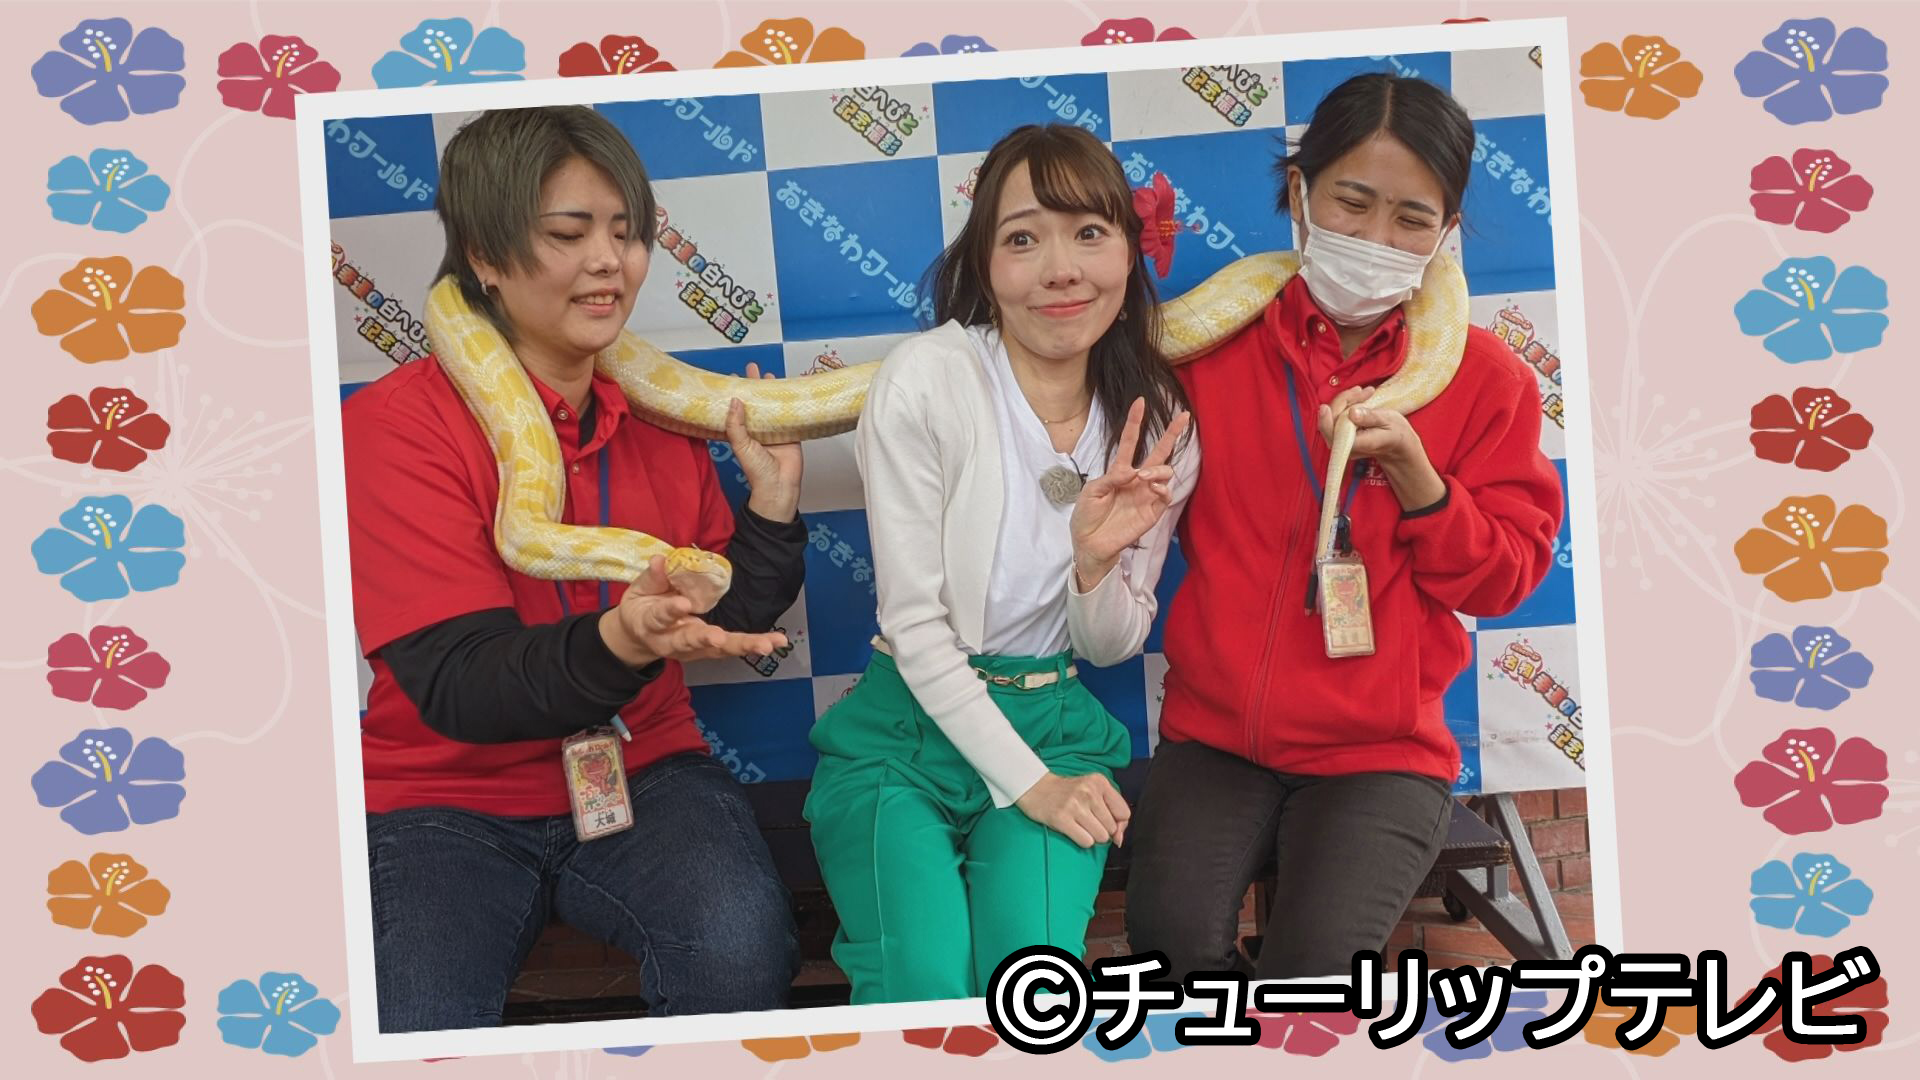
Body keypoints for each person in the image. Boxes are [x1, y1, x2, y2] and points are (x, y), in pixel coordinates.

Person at [342, 106, 804, 1031]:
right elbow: (464, 686)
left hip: (647, 769)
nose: (610, 263)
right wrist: (621, 638)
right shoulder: (396, 430)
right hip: (444, 793)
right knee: (418, 1017)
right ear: (484, 255)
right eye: (569, 233)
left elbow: (725, 613)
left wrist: (772, 508)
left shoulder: (663, 417)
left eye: (626, 234)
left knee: (739, 951)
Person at [1126, 74, 1564, 979]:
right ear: (1299, 192)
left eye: (1411, 219)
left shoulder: (1484, 378)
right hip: (1215, 739)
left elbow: (1504, 579)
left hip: (1380, 753)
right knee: (1169, 957)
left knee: (1316, 982)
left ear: (1446, 232)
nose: (1374, 239)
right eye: (1351, 203)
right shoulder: (1205, 352)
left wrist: (1420, 482)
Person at [804, 124, 1198, 1005]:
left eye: (1089, 233)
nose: (1061, 270)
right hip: (904, 734)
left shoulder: (1159, 416)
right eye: (1023, 239)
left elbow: (1109, 647)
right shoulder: (926, 378)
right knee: (924, 982)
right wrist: (1032, 788)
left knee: (1031, 988)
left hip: (1055, 723)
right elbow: (914, 625)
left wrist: (1094, 565)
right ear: (985, 264)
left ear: (1130, 252)